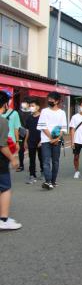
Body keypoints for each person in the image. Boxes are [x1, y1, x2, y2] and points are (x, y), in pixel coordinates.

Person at [0, 90, 21, 230]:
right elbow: (2, 145)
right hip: (0, 162)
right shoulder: (2, 121)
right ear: (5, 104)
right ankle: (3, 219)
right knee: (5, 188)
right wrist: (13, 158)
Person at [37, 91, 67, 190]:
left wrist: (57, 139)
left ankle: (53, 181)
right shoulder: (44, 111)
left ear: (57, 101)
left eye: (51, 99)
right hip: (46, 140)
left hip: (57, 141)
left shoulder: (62, 113)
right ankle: (48, 181)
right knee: (46, 161)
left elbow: (63, 128)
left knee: (55, 162)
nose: (49, 100)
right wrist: (51, 138)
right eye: (48, 99)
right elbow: (42, 126)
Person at [24, 99, 43, 184]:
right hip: (31, 141)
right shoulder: (29, 118)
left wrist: (42, 141)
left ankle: (43, 172)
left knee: (41, 158)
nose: (31, 107)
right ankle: (32, 176)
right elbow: (27, 130)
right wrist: (25, 141)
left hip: (40, 141)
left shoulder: (42, 117)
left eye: (33, 106)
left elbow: (44, 130)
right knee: (32, 159)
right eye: (30, 106)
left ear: (38, 107)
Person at [1, 91, 21, 158]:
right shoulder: (14, 113)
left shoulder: (15, 113)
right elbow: (16, 129)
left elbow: (16, 129)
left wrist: (17, 143)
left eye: (10, 99)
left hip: (10, 142)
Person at [17, 97, 31, 172]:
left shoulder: (32, 112)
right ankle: (21, 165)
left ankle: (31, 166)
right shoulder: (19, 111)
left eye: (25, 103)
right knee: (21, 149)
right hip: (21, 132)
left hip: (30, 132)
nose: (24, 104)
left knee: (31, 149)